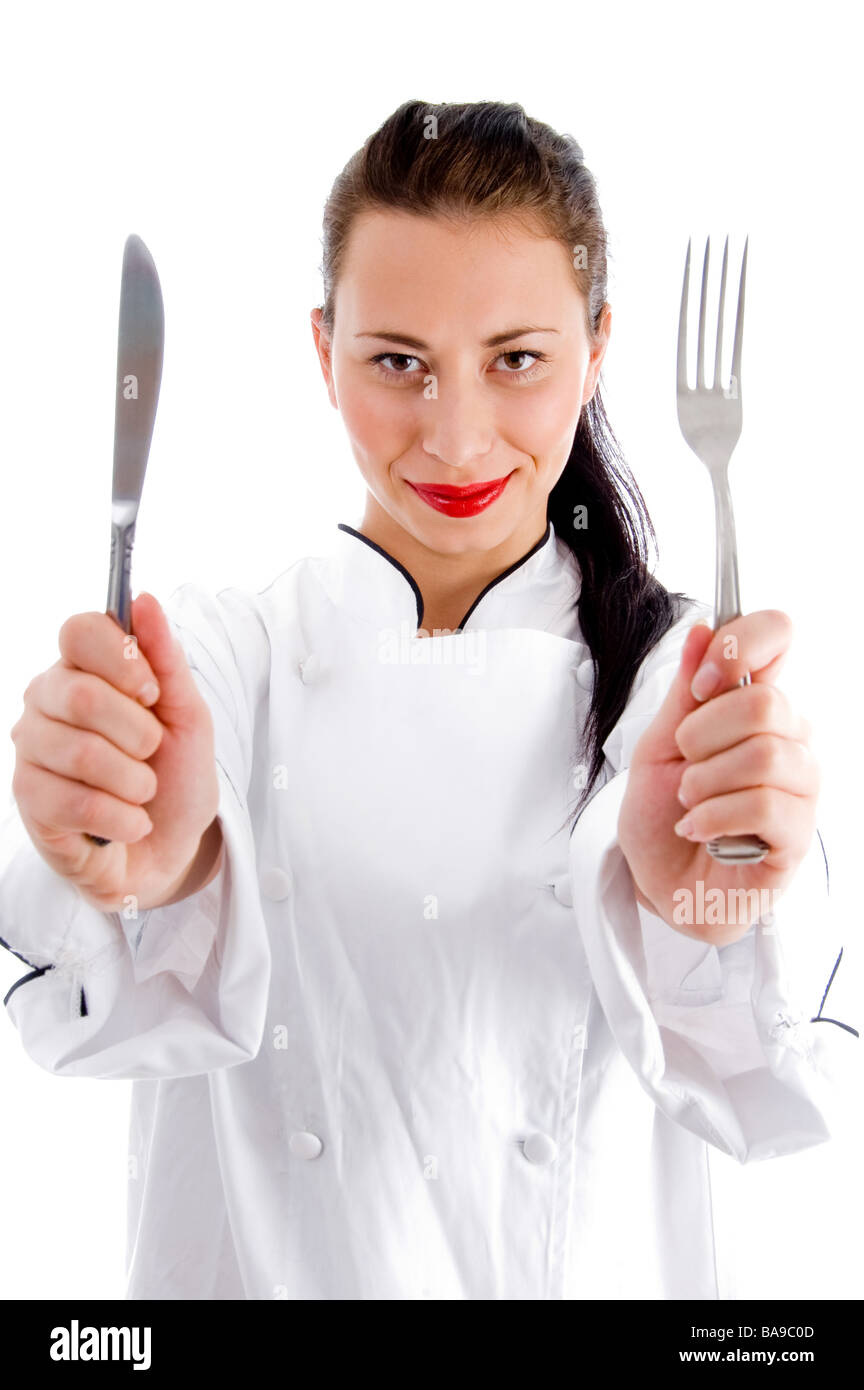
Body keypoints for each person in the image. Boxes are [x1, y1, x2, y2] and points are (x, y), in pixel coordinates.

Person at [0, 99, 856, 1301]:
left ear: (597, 352)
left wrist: (710, 903)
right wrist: (141, 857)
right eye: (397, 362)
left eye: (517, 360)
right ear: (322, 350)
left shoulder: (680, 689)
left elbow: (784, 1094)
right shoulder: (217, 660)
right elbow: (87, 1023)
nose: (456, 439)